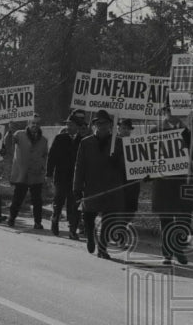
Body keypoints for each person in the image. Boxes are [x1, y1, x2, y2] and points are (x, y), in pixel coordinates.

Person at [72, 110, 124, 259]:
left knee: (109, 218)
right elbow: (79, 166)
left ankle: (103, 248)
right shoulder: (86, 142)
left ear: (110, 126)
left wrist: (117, 161)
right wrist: (77, 187)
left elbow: (126, 166)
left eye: (105, 124)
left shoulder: (118, 143)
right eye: (99, 123)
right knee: (88, 216)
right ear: (94, 125)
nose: (102, 126)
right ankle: (90, 236)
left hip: (111, 187)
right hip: (92, 186)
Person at [151, 105, 193, 265]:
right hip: (164, 182)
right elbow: (149, 155)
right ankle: (167, 253)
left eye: (176, 111)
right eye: (169, 111)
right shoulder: (156, 131)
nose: (173, 114)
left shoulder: (188, 131)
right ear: (165, 112)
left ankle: (179, 246)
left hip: (183, 181)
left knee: (184, 218)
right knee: (167, 219)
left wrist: (192, 129)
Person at [47, 110, 88, 239]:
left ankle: (72, 230)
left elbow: (85, 160)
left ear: (77, 126)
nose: (69, 127)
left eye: (71, 125)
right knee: (59, 200)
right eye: (68, 125)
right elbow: (52, 156)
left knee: (74, 204)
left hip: (76, 178)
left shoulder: (83, 140)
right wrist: (48, 174)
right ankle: (55, 219)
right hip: (60, 176)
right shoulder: (60, 138)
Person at [6, 114, 49, 229]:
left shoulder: (44, 140)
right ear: (28, 124)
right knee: (17, 198)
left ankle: (38, 222)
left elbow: (45, 155)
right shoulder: (19, 134)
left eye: (37, 124)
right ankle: (11, 219)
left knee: (37, 201)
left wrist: (42, 168)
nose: (35, 125)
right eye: (33, 123)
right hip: (22, 173)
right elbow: (9, 144)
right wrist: (10, 131)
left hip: (36, 174)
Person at [111, 117, 141, 248]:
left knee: (130, 209)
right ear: (118, 128)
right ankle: (119, 236)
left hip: (133, 182)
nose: (126, 131)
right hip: (118, 181)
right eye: (123, 128)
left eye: (128, 128)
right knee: (119, 209)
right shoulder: (113, 142)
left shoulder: (135, 143)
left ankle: (118, 232)